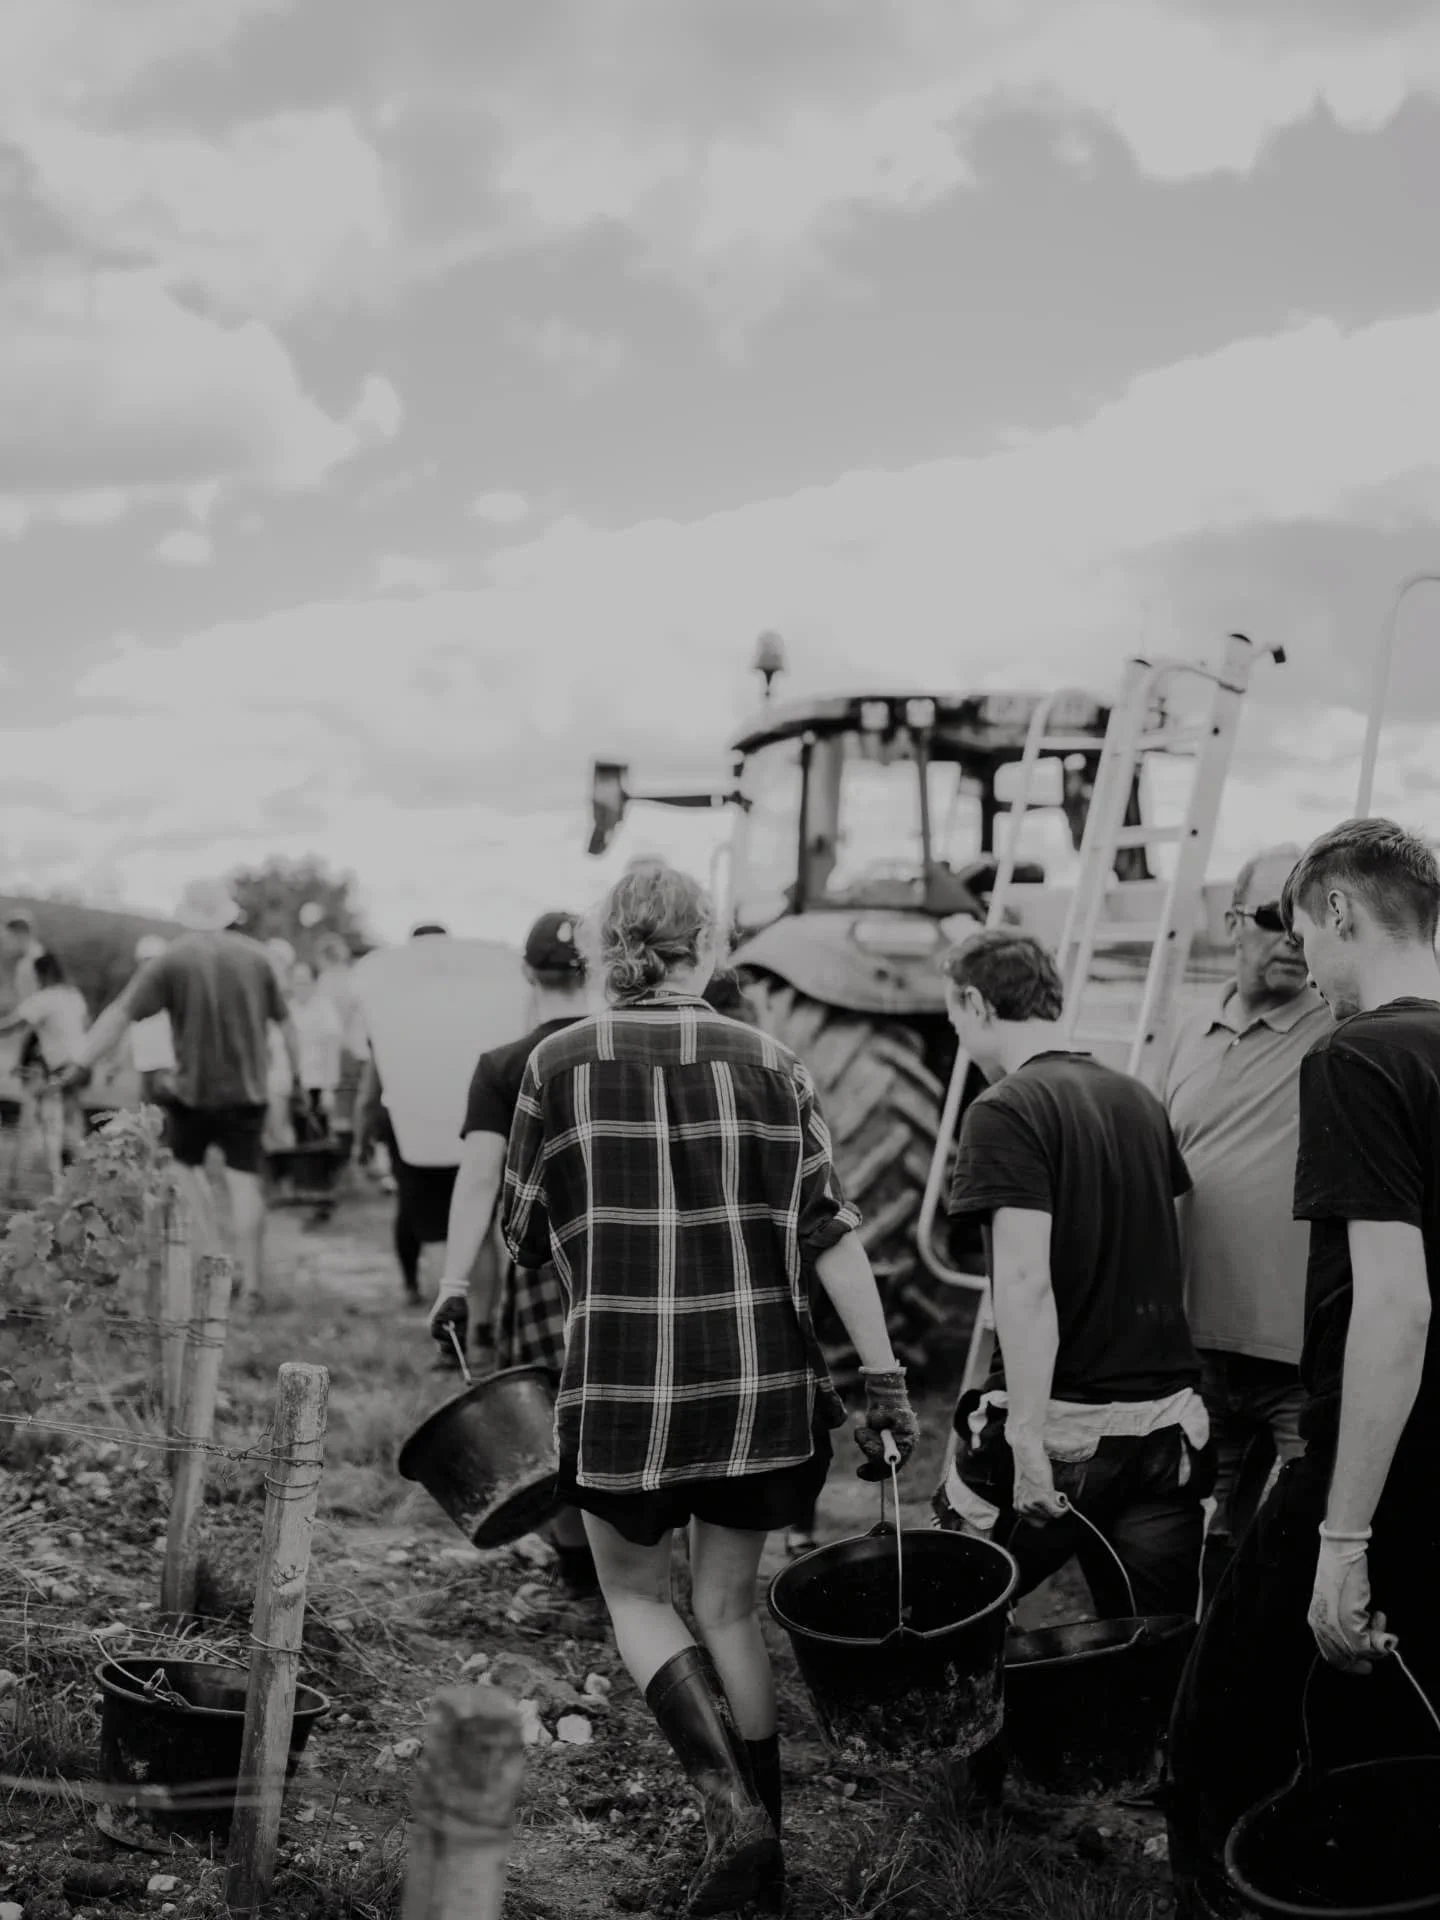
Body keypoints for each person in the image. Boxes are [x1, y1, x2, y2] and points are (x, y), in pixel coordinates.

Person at [500, 861, 919, 1915]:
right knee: (730, 1606)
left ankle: (729, 1816)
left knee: (638, 1598)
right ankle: (766, 1845)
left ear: (612, 948)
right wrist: (885, 1377)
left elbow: (522, 1237)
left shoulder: (557, 1063)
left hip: (625, 1390)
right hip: (761, 1387)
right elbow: (832, 1237)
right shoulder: (776, 1063)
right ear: (707, 942)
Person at [1167, 819, 1440, 1919]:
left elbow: (1395, 1303)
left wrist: (1342, 1538)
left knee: (1217, 1731)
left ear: (1338, 912)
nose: (1306, 964)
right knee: (1387, 1739)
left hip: (1378, 1459)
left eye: (1303, 928)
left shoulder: (1359, 1055)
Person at [931, 929, 1212, 1625]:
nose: (959, 1036)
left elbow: (1024, 1284)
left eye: (953, 1020)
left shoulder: (1003, 1110)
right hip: (1164, 1429)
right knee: (1149, 1642)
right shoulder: (1139, 1100)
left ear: (976, 1002)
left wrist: (1025, 1442)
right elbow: (1166, 1247)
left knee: (943, 1616)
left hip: (1066, 1432)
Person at [1164, 845, 1329, 1600]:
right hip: (1197, 1355)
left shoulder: (1339, 1031)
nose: (1293, 935)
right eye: (1274, 916)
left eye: (1310, 917)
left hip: (1302, 1360)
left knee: (1309, 1542)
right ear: (1234, 924)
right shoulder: (1187, 1038)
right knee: (1205, 1542)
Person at [427, 910, 596, 1594]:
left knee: (548, 1416)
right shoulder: (619, 1050)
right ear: (593, 971)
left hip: (539, 1270)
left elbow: (477, 1179)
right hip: (630, 1261)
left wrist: (454, 1280)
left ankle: (582, 1572)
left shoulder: (502, 1064)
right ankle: (636, 1563)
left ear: (528, 974)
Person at [60, 878, 305, 1309]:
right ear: (228, 913)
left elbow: (119, 1016)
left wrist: (81, 1065)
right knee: (245, 1182)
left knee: (186, 1172)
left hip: (191, 1093)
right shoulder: (259, 958)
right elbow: (286, 1025)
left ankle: (215, 1263)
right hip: (250, 1090)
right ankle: (253, 1287)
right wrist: (299, 1078)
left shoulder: (171, 960)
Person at [353, 922, 455, 1301]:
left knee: (412, 1204)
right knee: (461, 1208)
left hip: (407, 1119)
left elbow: (372, 1079)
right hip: (458, 1117)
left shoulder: (392, 1002)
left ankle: (416, 1287)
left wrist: (362, 1134)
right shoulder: (467, 1004)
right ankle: (466, 1309)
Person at [0, 951, 90, 1190]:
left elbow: (12, 1025)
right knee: (69, 1124)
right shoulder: (73, 995)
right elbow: (76, 1029)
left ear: (42, 973)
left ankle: (66, 1185)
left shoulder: (46, 998)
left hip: (63, 1069)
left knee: (57, 1129)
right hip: (83, 1065)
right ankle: (77, 1180)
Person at [129, 935, 179, 1107]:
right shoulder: (138, 992)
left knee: (164, 1116)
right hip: (145, 1065)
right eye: (144, 960)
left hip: (166, 1065)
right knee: (146, 1117)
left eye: (152, 960)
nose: (148, 966)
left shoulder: (172, 992)